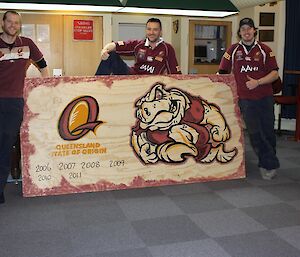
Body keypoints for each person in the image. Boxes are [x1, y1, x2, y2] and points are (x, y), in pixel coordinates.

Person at [218, 17, 280, 180]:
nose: (246, 31)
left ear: (254, 31)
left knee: (268, 131)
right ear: (239, 33)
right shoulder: (232, 50)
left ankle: (267, 161)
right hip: (245, 99)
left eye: (249, 28)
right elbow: (222, 72)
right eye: (243, 29)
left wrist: (258, 82)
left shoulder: (265, 49)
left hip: (265, 97)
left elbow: (274, 74)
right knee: (255, 132)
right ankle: (270, 164)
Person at [0, 10, 49, 204]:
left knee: (5, 146)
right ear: (3, 23)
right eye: (9, 22)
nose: (13, 25)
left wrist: (47, 85)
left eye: (16, 23)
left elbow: (42, 63)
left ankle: (0, 190)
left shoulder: (27, 44)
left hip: (13, 102)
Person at [95, 18, 181, 75]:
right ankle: (96, 85)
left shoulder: (167, 48)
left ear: (160, 32)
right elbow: (114, 45)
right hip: (132, 77)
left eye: (155, 29)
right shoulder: (138, 45)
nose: (151, 32)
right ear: (146, 30)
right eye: (149, 29)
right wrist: (104, 50)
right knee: (111, 55)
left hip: (151, 84)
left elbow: (175, 74)